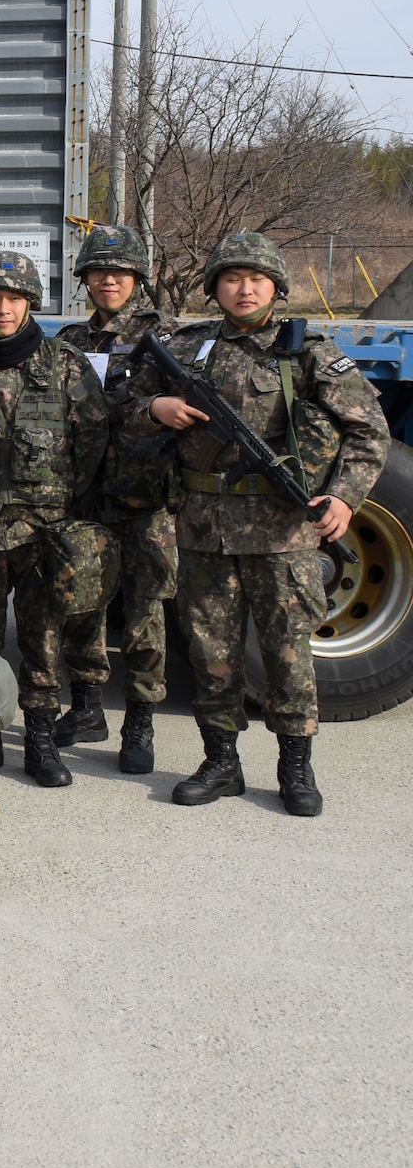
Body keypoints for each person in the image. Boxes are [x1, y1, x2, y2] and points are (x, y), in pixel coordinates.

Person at [123, 232, 388, 815]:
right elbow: (125, 410)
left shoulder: (307, 353)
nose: (244, 289)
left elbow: (369, 429)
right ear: (215, 287)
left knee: (287, 655)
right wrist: (155, 410)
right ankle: (221, 763)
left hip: (282, 534)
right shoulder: (188, 349)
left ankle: (295, 769)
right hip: (203, 529)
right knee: (211, 654)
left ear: (276, 287)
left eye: (257, 279)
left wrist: (343, 497)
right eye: (232, 278)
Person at [0, 249, 109, 787]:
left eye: (14, 298)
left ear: (30, 303)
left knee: (44, 638)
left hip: (45, 530)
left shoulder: (65, 364)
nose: (3, 308)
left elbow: (93, 441)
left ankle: (39, 740)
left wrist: (61, 502)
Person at [52, 225, 178, 770]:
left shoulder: (168, 339)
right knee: (81, 604)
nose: (109, 281)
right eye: (99, 272)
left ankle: (140, 725)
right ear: (84, 279)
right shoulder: (70, 344)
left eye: (121, 272)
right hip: (85, 496)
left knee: (146, 613)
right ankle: (85, 707)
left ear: (137, 279)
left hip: (145, 499)